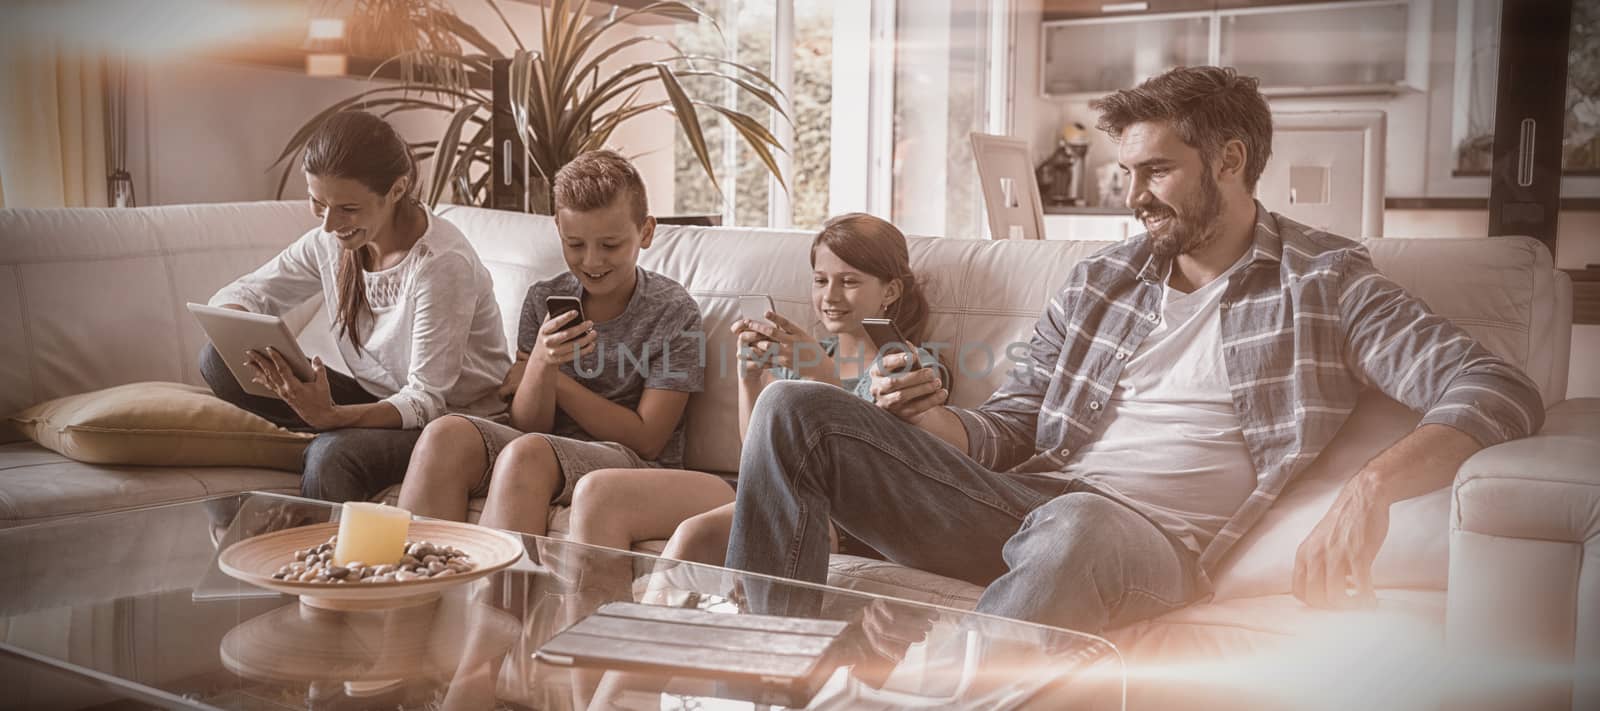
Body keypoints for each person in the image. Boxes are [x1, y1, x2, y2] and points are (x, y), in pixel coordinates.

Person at [724, 66, 1545, 633]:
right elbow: (1011, 424)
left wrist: (1374, 485)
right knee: (794, 407)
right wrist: (936, 419)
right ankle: (756, 676)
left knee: (1079, 521)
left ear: (1230, 160)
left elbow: (1495, 386)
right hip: (1027, 506)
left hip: (1153, 546)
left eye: (1155, 170)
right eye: (1127, 172)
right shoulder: (1102, 280)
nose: (1131, 196)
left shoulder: (1322, 281)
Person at [565, 213, 945, 559]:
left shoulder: (907, 365)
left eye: (848, 282)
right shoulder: (806, 354)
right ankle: (589, 630)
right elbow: (758, 456)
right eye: (820, 280)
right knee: (598, 493)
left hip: (834, 516)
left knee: (693, 536)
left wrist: (821, 374)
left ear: (890, 292)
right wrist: (751, 380)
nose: (829, 296)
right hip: (768, 489)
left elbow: (876, 469)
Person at [202, 110, 507, 503]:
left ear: (397, 190)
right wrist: (240, 321)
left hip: (453, 423)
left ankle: (333, 538)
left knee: (332, 456)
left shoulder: (441, 263)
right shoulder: (331, 242)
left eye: (348, 208)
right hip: (380, 402)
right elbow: (246, 293)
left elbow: (426, 400)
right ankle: (333, 434)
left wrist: (332, 417)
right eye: (318, 204)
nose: (329, 224)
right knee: (219, 359)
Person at [396, 150, 705, 537]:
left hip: (630, 465)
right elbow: (527, 424)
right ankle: (418, 586)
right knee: (446, 434)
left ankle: (498, 598)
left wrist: (554, 378)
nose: (592, 261)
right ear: (558, 226)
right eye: (575, 244)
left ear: (645, 231)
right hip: (544, 448)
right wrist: (541, 363)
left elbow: (649, 440)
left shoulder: (674, 313)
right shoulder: (545, 298)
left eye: (610, 245)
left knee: (531, 454)